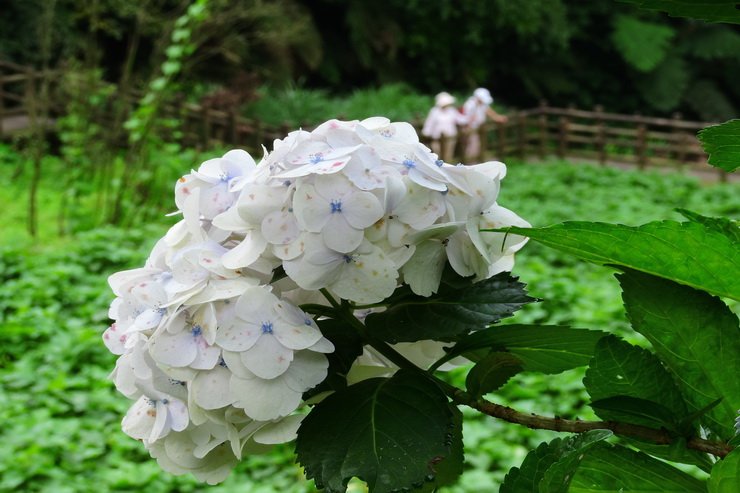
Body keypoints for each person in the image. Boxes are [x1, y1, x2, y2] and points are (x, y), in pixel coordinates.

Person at [462, 87, 508, 162]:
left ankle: (474, 163)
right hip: (471, 128)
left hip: (479, 128)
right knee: (472, 146)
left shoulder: (482, 104)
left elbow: (488, 111)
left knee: (476, 146)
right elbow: (465, 118)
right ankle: (469, 164)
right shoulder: (470, 104)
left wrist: (498, 117)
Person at [421, 92, 467, 163]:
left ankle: (448, 169)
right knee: (437, 155)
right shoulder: (434, 111)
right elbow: (429, 123)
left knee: (448, 155)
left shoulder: (452, 110)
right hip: (437, 138)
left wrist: (469, 118)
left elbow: (460, 120)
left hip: (450, 137)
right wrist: (426, 133)